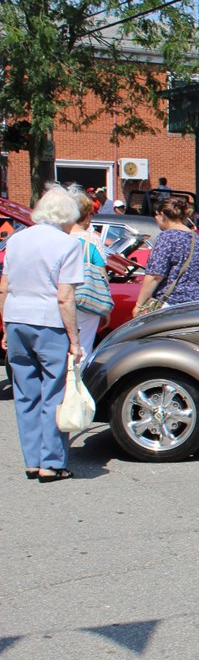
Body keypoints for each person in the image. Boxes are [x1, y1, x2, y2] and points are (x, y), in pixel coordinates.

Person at [0, 186, 85, 482]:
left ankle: (32, 460)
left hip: (16, 318)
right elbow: (65, 296)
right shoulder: (68, 244)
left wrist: (5, 325)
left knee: (25, 394)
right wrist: (75, 340)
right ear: (67, 214)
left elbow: (4, 286)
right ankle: (51, 462)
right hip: (48, 322)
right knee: (54, 393)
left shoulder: (17, 240)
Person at [134, 197, 199, 312]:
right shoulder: (198, 239)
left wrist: (139, 305)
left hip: (174, 303)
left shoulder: (167, 237)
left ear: (162, 215)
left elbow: (155, 276)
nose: (155, 218)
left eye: (156, 215)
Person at [68, 189, 110, 354]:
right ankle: (76, 379)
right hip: (84, 298)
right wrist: (105, 304)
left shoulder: (59, 237)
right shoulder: (91, 239)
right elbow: (102, 274)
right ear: (86, 215)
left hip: (57, 298)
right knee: (83, 345)